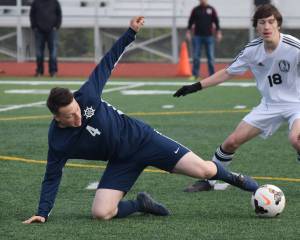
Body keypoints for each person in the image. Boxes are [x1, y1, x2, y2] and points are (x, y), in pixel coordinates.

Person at [23, 16, 258, 224]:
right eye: (69, 116)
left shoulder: (87, 96)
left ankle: (237, 179)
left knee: (205, 171)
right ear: (57, 118)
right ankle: (141, 204)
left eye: (76, 110)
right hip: (120, 161)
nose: (77, 117)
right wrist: (42, 212)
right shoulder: (58, 142)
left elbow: (108, 60)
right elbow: (52, 176)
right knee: (101, 213)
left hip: (144, 140)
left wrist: (130, 33)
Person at [174, 4, 299, 192]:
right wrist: (196, 86)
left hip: (296, 104)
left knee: (296, 139)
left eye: (271, 22)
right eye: (261, 22)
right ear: (256, 27)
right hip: (269, 105)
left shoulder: (293, 46)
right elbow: (227, 72)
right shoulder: (252, 50)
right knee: (232, 141)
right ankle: (209, 181)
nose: (266, 27)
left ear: (278, 25)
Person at [186, 0, 222, 80]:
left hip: (209, 36)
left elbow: (216, 21)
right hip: (197, 36)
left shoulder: (211, 9)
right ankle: (195, 75)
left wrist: (218, 32)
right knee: (196, 56)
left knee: (210, 57)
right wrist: (188, 31)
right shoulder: (195, 9)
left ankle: (212, 75)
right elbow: (191, 21)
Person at [30, 0, 62, 77]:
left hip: (52, 30)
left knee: (53, 52)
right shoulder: (36, 2)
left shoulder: (55, 2)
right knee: (39, 53)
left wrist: (56, 26)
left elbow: (59, 15)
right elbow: (32, 15)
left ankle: (53, 71)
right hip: (39, 31)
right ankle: (39, 71)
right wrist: (34, 26)